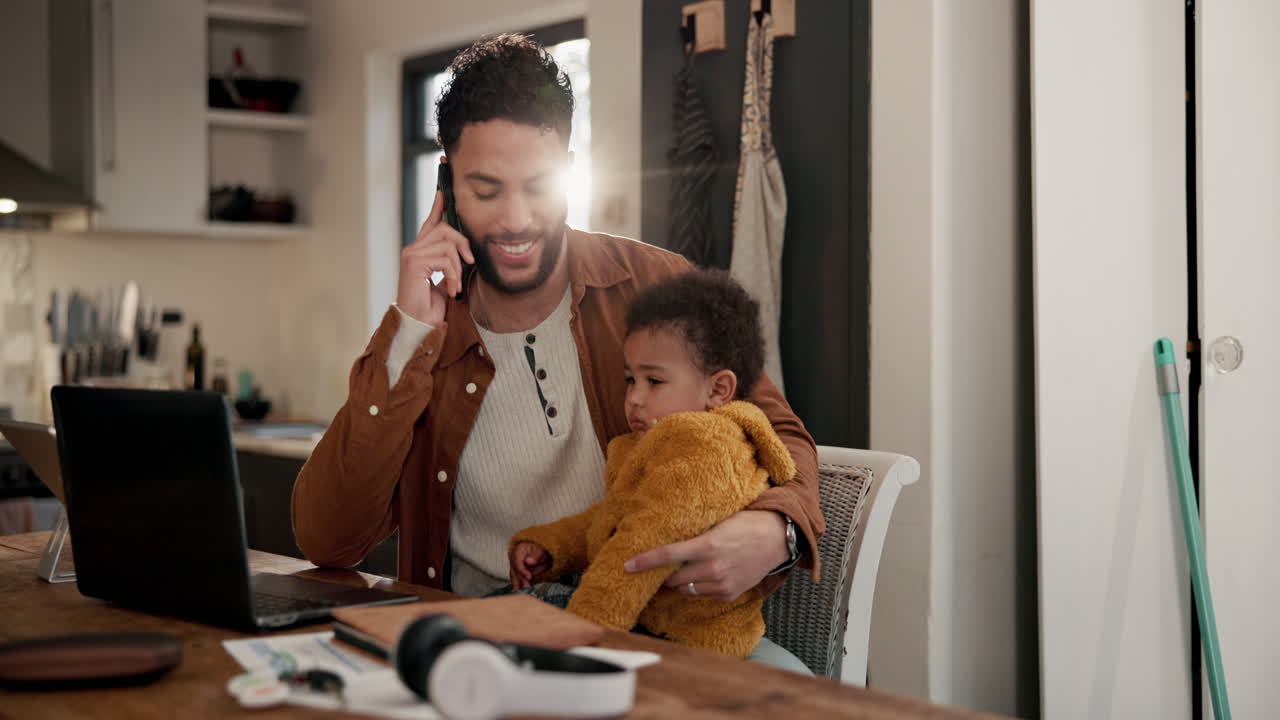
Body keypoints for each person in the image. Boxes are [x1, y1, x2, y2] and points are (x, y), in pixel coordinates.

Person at [290, 33, 824, 672]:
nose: (516, 218)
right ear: (446, 185)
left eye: (539, 185)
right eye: (486, 190)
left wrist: (779, 531)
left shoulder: (657, 284)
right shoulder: (426, 338)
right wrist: (409, 332)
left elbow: (782, 434)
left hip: (649, 632)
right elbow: (327, 539)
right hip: (481, 644)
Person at [508, 270, 795, 658]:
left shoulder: (705, 449)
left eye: (654, 382)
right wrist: (552, 545)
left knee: (505, 631)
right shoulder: (651, 444)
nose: (634, 399)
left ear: (717, 390)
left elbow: (638, 551)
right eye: (630, 380)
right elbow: (615, 519)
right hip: (646, 623)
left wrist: (577, 637)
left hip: (688, 645)